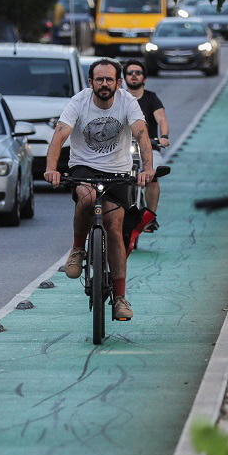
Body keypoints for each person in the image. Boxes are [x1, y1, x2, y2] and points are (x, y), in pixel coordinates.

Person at [44, 59, 154, 322]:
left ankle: (120, 298)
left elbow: (141, 134)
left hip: (118, 172)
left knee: (114, 227)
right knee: (87, 197)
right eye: (99, 79)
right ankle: (77, 249)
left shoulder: (128, 102)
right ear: (90, 82)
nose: (104, 84)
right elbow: (59, 136)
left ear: (118, 82)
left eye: (109, 79)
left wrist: (148, 168)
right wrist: (51, 169)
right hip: (83, 167)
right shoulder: (78, 102)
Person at [124, 59, 169, 229]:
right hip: (123, 149)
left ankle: (150, 216)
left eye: (138, 72)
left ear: (144, 78)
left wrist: (163, 137)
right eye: (130, 73)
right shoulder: (119, 98)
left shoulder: (152, 98)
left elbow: (162, 119)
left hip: (149, 147)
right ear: (124, 78)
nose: (134, 75)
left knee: (152, 177)